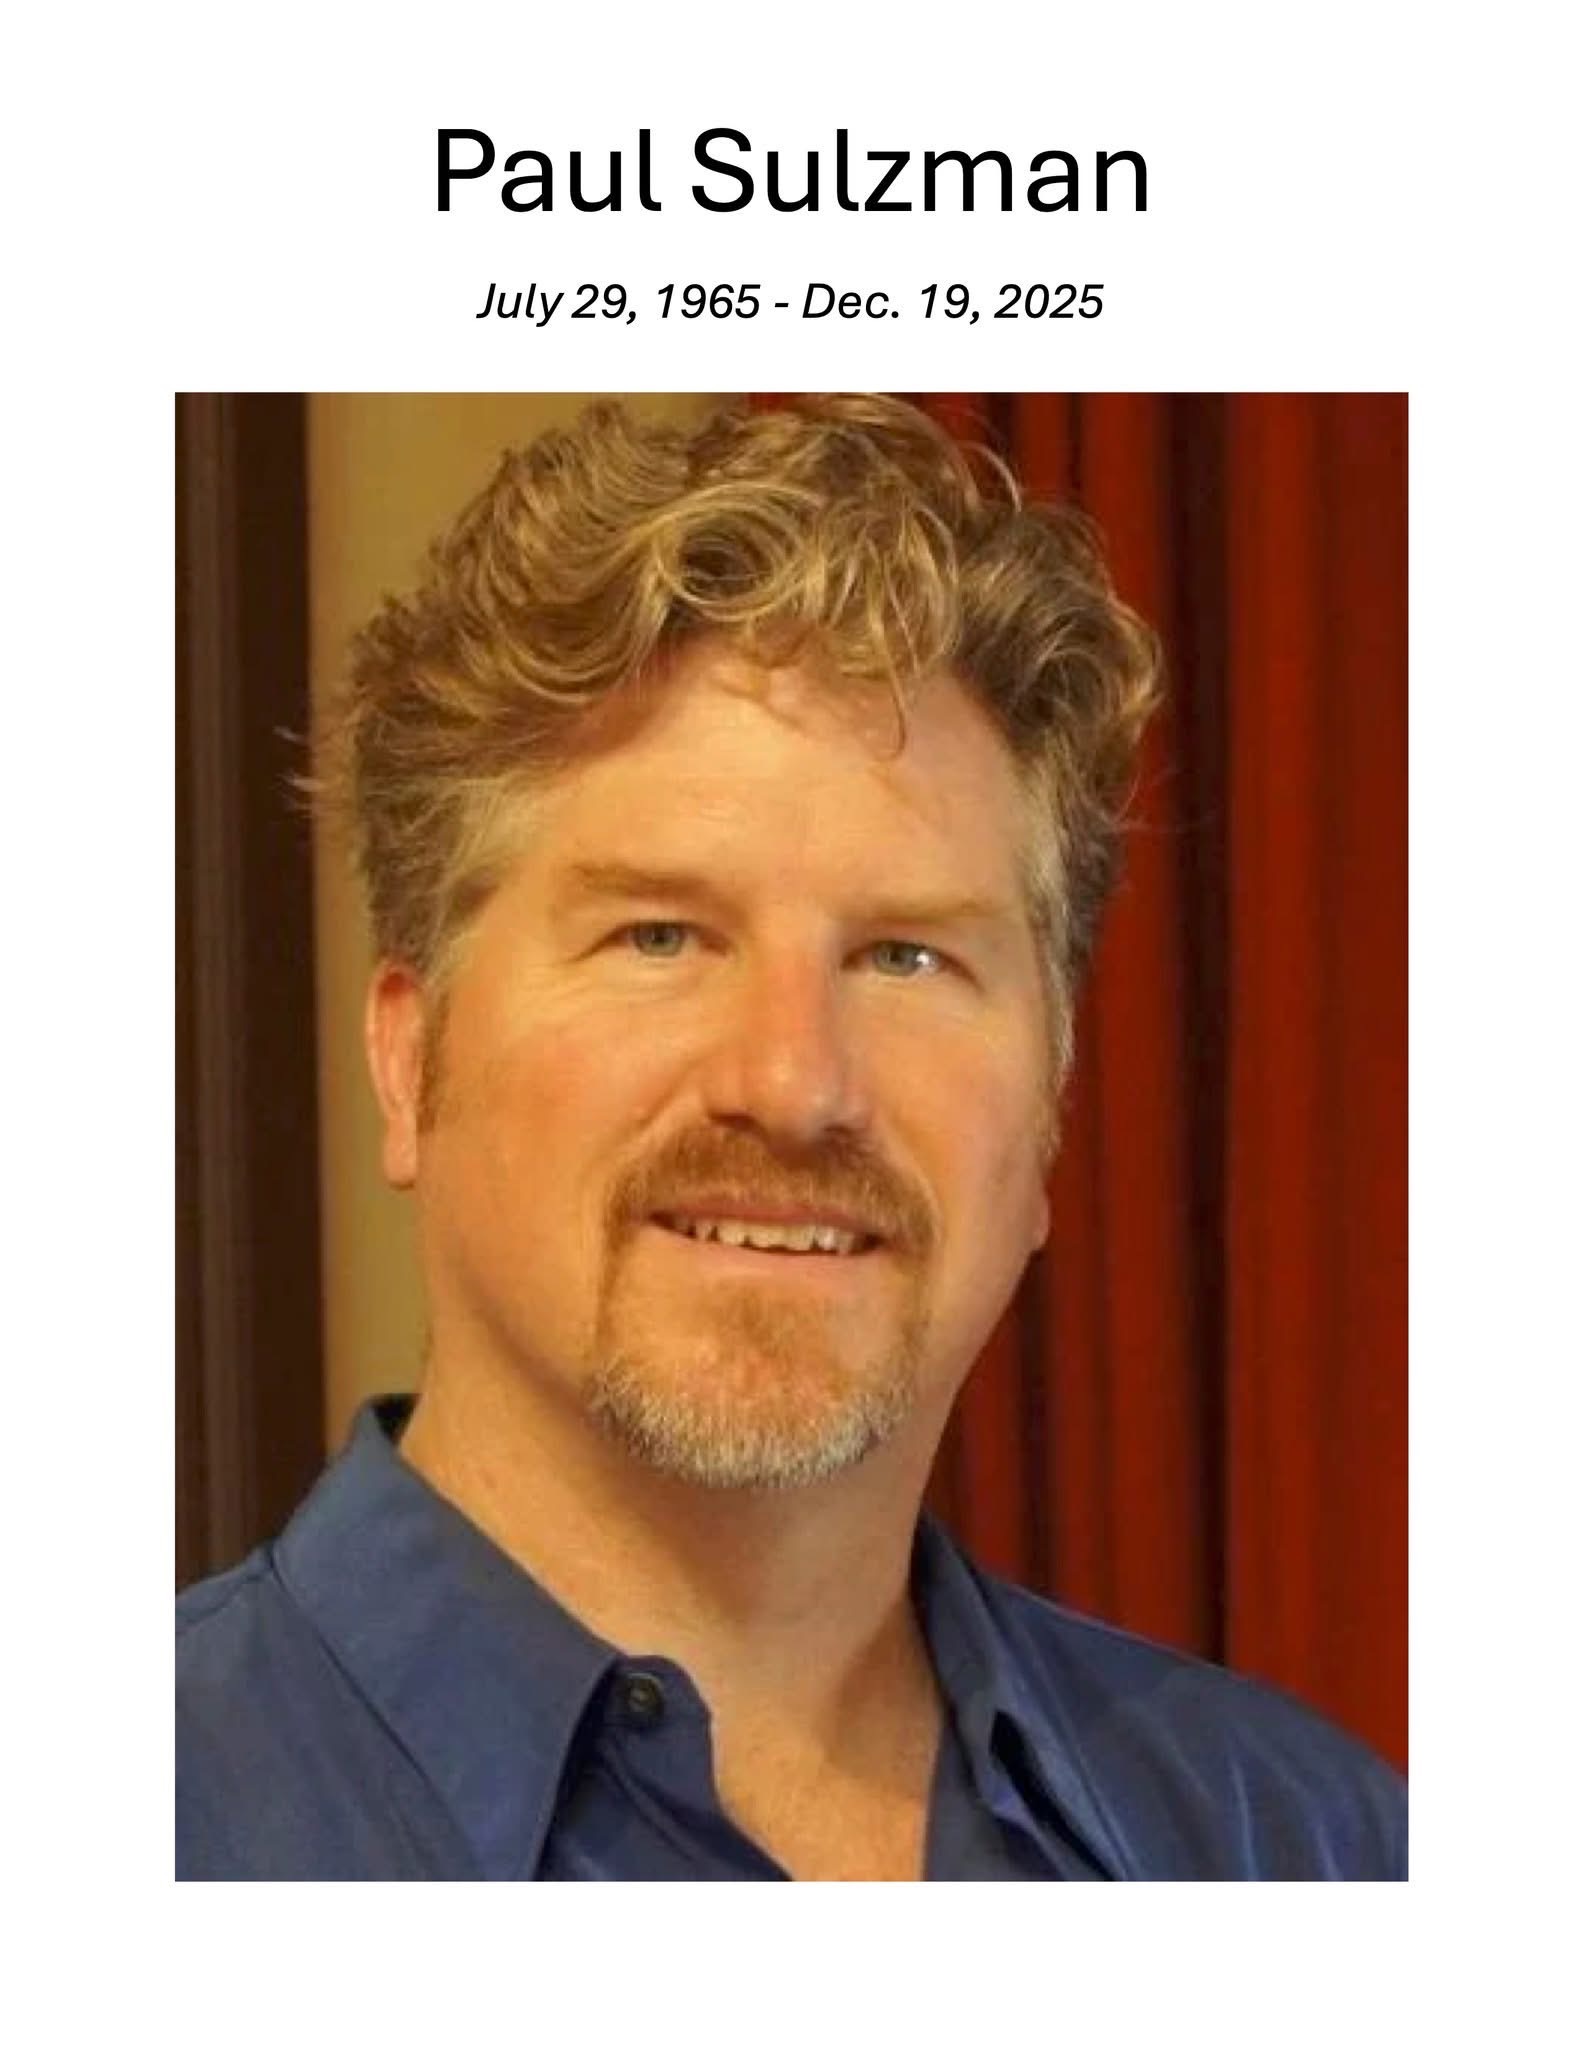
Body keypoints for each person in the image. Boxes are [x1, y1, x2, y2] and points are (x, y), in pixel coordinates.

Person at [176, 393, 1406, 1880]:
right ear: (407, 1057)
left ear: (1048, 1117)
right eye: (660, 936)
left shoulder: (1317, 1851)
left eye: (907, 958)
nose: (795, 1081)